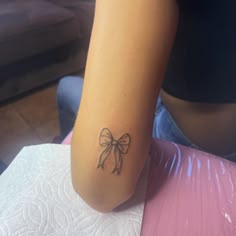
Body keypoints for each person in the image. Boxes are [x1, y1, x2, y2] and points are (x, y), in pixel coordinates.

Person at [57, 0, 236, 212]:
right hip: (209, 117)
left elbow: (101, 188)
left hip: (201, 147)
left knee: (65, 88)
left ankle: (61, 150)